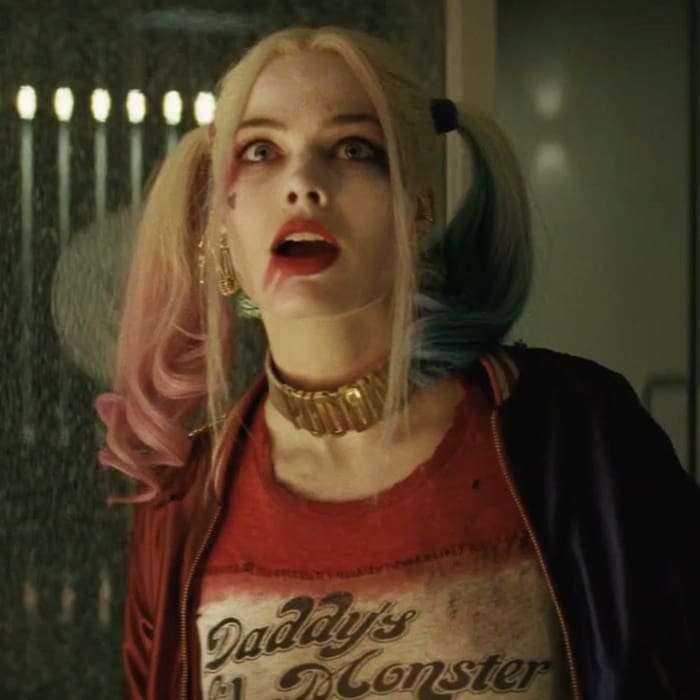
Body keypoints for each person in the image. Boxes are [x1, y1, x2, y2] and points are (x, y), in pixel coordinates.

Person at [95, 25, 700, 700]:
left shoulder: (578, 436)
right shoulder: (182, 509)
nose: (303, 184)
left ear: (420, 208)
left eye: (354, 149)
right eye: (261, 151)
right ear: (222, 222)